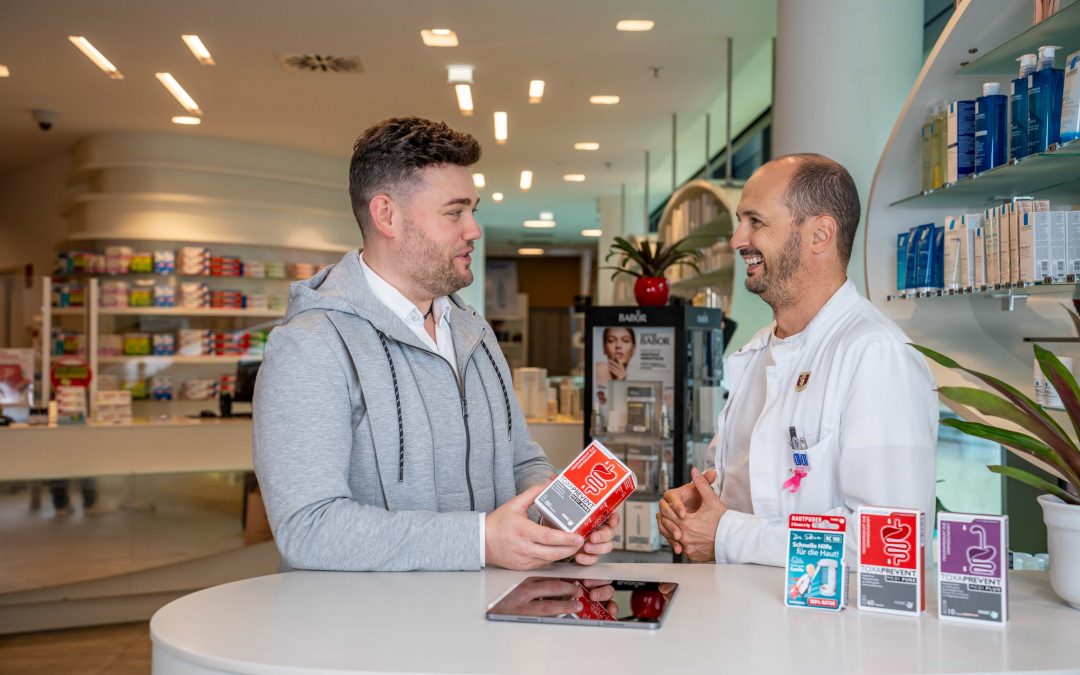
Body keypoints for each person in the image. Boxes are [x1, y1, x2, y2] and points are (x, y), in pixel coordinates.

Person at [253, 116, 617, 572]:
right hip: (377, 635)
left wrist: (556, 520)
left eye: (474, 210)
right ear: (386, 215)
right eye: (454, 212)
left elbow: (520, 457)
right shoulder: (311, 346)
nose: (474, 230)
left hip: (488, 618)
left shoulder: (473, 331)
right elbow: (308, 527)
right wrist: (480, 541)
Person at [657, 153, 937, 567]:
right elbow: (737, 495)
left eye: (756, 221)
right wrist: (695, 510)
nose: (737, 240)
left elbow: (892, 541)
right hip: (743, 616)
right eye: (740, 221)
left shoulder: (876, 355)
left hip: (830, 629)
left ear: (820, 235)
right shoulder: (757, 352)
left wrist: (727, 535)